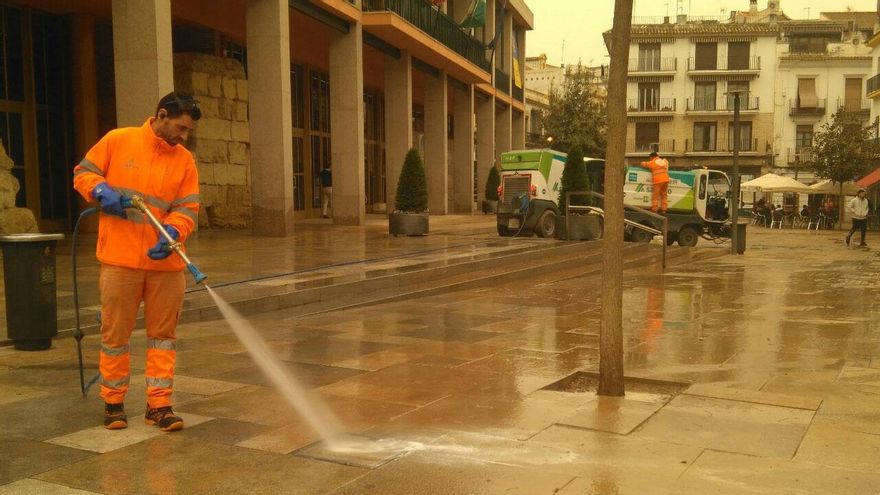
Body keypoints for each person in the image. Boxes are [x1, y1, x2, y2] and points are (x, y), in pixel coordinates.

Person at [72, 92, 201, 432]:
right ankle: (113, 404)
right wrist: (101, 191)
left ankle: (159, 406)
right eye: (181, 127)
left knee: (163, 337)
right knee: (115, 335)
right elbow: (83, 173)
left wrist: (174, 229)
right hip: (120, 260)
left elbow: (188, 207)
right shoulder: (118, 140)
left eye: (188, 131)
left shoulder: (184, 160)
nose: (184, 136)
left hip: (166, 264)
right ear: (161, 115)